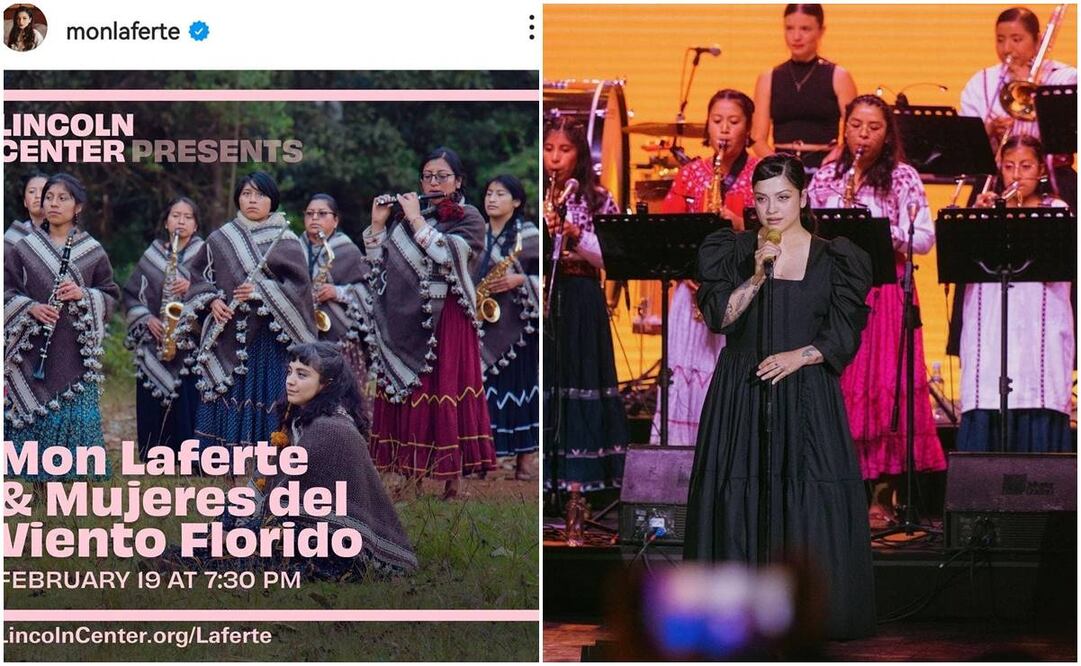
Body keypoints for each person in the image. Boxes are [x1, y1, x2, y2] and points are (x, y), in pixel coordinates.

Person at [684, 154, 876, 640]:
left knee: (806, 495)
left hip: (806, 393)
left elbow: (843, 334)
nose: (771, 209)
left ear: (803, 197)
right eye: (762, 199)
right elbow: (720, 319)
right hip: (742, 392)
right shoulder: (732, 250)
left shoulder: (836, 257)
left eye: (783, 198)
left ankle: (803, 609)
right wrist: (755, 276)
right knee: (739, 496)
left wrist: (801, 356)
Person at [165, 342, 418, 580]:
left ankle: (188, 563)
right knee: (229, 513)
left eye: (302, 375)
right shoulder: (300, 419)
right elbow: (265, 484)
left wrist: (242, 533)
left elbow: (288, 503)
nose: (290, 381)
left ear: (326, 385)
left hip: (337, 544)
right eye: (290, 372)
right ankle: (187, 556)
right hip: (303, 525)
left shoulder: (330, 429)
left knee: (255, 552)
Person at [808, 94, 946, 527]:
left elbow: (924, 238)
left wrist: (886, 232)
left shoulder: (903, 177)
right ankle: (841, 490)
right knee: (840, 388)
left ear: (887, 135)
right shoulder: (827, 176)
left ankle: (883, 496)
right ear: (844, 128)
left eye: (873, 128)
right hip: (838, 292)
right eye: (856, 126)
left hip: (887, 291)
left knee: (888, 389)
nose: (863, 135)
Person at [359, 147, 497, 500]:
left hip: (448, 317)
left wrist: (416, 220)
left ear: (458, 181)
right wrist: (378, 225)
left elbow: (447, 254)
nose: (434, 183)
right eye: (428, 177)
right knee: (411, 389)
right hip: (405, 317)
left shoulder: (470, 217)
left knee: (447, 387)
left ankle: (453, 482)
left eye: (442, 176)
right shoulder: (405, 220)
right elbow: (377, 267)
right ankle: (410, 475)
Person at [948, 135, 1074, 452]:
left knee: (1038, 388)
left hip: (1040, 330)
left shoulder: (1057, 210)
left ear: (1041, 170)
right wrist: (975, 221)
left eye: (1026, 166)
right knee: (988, 389)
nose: (1016, 174)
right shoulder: (986, 210)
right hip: (991, 330)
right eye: (1008, 166)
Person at [651, 89, 760, 446]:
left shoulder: (761, 174)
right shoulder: (690, 174)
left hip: (741, 294)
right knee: (686, 375)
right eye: (717, 121)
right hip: (693, 294)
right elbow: (667, 233)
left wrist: (740, 226)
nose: (724, 130)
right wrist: (688, 272)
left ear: (748, 128)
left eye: (733, 121)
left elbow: (779, 234)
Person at [180, 171, 316, 452]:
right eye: (246, 194)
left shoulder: (287, 239)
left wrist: (260, 291)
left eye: (260, 195)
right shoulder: (221, 238)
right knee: (229, 390)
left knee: (269, 391)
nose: (252, 200)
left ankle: (266, 460)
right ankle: (222, 457)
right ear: (238, 199)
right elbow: (199, 278)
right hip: (229, 333)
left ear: (272, 200)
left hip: (270, 338)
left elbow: (300, 288)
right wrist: (211, 301)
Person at [4, 173, 119, 483]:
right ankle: (38, 486)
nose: (53, 204)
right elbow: (6, 291)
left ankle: (72, 486)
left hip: (75, 353)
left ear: (78, 207)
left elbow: (110, 294)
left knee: (74, 419)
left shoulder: (92, 250)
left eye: (62, 198)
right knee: (33, 415)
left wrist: (84, 294)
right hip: (32, 351)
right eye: (49, 198)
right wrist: (30, 307)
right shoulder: (24, 248)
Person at [542, 117, 628, 494]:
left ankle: (583, 482)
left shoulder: (597, 198)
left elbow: (613, 255)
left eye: (564, 150)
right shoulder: (537, 195)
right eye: (548, 149)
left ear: (579, 155)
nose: (554, 158)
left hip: (582, 297)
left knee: (581, 376)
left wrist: (575, 236)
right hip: (548, 295)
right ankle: (547, 480)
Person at [960, 6, 1077, 208]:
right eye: (1000, 40)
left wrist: (1034, 90)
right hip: (999, 180)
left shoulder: (1066, 77)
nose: (1007, 48)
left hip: (1055, 178)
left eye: (1016, 39)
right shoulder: (980, 81)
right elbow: (968, 148)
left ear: (1038, 41)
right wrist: (989, 131)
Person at [122, 197, 204, 459]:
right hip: (155, 340)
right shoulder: (153, 254)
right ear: (166, 222)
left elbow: (218, 290)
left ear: (196, 225)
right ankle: (154, 452)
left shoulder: (205, 255)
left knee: (188, 398)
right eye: (175, 216)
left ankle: (187, 454)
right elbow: (131, 294)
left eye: (188, 217)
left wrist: (193, 287)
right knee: (151, 398)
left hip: (191, 344)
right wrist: (146, 318)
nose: (181, 221)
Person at [475, 174, 540, 479]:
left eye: (500, 194)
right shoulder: (477, 235)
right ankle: (485, 459)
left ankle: (525, 461)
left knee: (523, 390)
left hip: (521, 328)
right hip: (484, 325)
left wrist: (521, 280)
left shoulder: (529, 235)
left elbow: (548, 279)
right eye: (489, 193)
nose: (492, 199)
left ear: (516, 201)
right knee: (486, 391)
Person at [750, 4, 857, 171]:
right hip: (781, 169)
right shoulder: (768, 78)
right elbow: (757, 139)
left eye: (805, 29)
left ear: (821, 31)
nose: (796, 37)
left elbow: (855, 132)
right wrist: (782, 167)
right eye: (789, 28)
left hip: (826, 169)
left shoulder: (839, 76)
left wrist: (836, 157)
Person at [300, 193, 369, 391]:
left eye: (322, 214)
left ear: (336, 220)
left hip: (340, 336)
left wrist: (337, 292)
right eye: (309, 213)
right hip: (301, 330)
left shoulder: (347, 250)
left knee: (340, 391)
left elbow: (368, 290)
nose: (314, 218)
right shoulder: (294, 247)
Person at [5, 171, 47, 251]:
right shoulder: (14, 236)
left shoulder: (66, 234)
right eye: (32, 191)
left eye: (43, 191)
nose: (38, 196)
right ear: (25, 202)